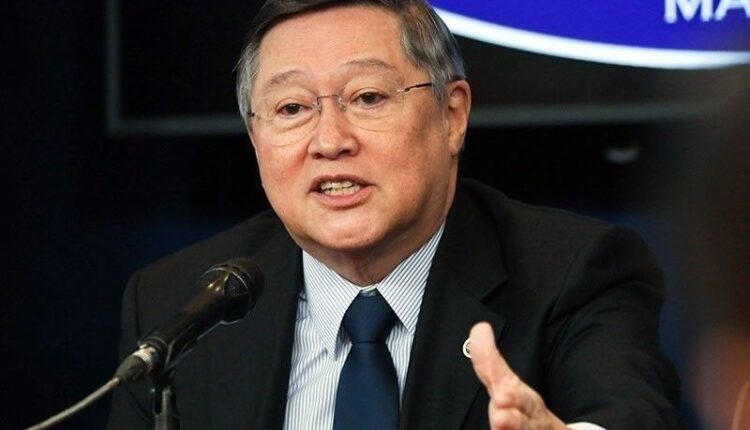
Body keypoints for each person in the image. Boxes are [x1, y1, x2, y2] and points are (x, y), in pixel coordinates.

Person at [106, 1, 680, 429]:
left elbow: (626, 414)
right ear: (256, 138)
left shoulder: (573, 273)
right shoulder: (180, 306)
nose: (329, 141)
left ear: (452, 115)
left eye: (368, 98)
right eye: (292, 108)